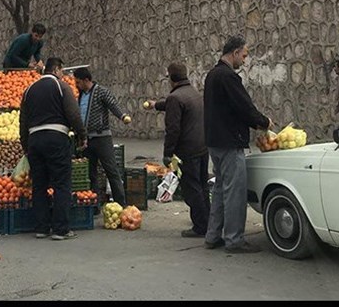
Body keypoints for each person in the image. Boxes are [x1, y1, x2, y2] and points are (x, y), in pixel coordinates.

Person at [203, 35, 271, 254]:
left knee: (221, 190)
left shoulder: (212, 75)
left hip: (215, 142)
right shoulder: (229, 78)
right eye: (243, 55)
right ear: (234, 53)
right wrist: (264, 122)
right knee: (235, 192)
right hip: (230, 142)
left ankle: (213, 236)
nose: (244, 60)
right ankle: (234, 239)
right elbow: (244, 107)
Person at [19, 57, 87, 240]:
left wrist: (26, 145)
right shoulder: (61, 87)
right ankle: (60, 229)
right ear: (56, 70)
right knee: (61, 183)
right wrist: (82, 136)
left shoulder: (29, 90)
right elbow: (73, 114)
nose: (63, 75)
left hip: (34, 140)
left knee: (39, 185)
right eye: (62, 71)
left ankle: (41, 228)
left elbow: (23, 121)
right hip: (56, 138)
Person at [144, 62, 209, 238]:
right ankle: (208, 221)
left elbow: (173, 129)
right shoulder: (193, 93)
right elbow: (174, 105)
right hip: (203, 147)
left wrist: (167, 153)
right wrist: (156, 105)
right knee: (202, 185)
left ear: (171, 79)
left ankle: (200, 227)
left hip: (188, 150)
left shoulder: (175, 97)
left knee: (192, 188)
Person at [72, 67, 130, 208]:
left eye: (78, 82)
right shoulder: (80, 96)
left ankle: (121, 204)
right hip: (87, 139)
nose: (77, 85)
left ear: (86, 80)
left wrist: (122, 116)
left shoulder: (101, 91)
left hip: (101, 138)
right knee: (91, 173)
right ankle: (94, 205)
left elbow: (112, 104)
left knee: (111, 170)